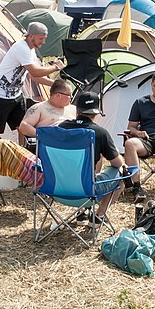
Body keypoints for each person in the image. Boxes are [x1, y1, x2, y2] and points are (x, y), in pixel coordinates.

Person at [57, 90, 130, 224]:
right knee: (122, 173)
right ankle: (98, 216)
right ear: (96, 113)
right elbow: (117, 163)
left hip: (57, 188)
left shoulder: (61, 128)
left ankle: (82, 213)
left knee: (92, 162)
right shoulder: (99, 133)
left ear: (77, 110)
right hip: (86, 191)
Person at [0, 21, 66, 135]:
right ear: (31, 36)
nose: (43, 41)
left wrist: (55, 85)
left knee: (23, 127)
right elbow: (35, 72)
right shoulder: (21, 48)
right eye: (41, 38)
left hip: (16, 96)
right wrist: (55, 67)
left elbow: (34, 77)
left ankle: (23, 151)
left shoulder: (31, 50)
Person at [17, 78, 75, 147]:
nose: (72, 97)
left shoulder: (74, 108)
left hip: (73, 145)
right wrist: (42, 136)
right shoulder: (39, 108)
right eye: (69, 95)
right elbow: (24, 126)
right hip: (51, 146)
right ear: (58, 95)